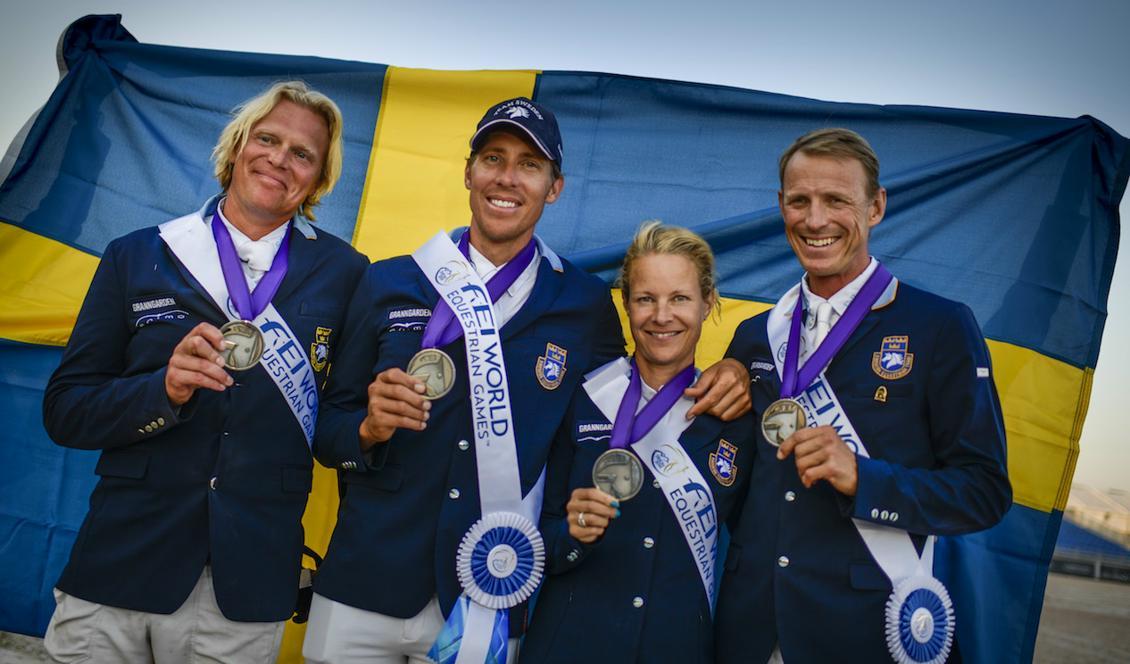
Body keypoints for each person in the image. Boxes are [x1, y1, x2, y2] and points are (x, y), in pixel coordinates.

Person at [302, 98, 750, 664]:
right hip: (365, 582)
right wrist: (366, 429)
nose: (507, 177)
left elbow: (632, 405)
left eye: (529, 164)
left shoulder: (583, 305)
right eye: (493, 157)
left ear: (554, 186)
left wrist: (740, 365)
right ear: (468, 172)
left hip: (491, 590)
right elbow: (328, 433)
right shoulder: (390, 279)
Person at [41, 81, 368, 663]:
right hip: (118, 566)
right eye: (267, 139)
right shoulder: (139, 254)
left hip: (244, 587)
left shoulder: (347, 274)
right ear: (237, 148)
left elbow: (338, 427)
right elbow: (66, 411)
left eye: (303, 154)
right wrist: (162, 391)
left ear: (317, 181)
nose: (279, 159)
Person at [713, 128, 1012, 663]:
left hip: (864, 631)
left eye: (836, 200)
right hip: (750, 629)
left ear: (875, 207)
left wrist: (864, 478)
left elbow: (984, 492)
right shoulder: (757, 336)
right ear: (781, 206)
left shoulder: (940, 327)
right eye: (799, 201)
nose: (815, 219)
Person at [522, 222, 753, 663]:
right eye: (646, 299)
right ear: (626, 304)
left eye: (680, 298)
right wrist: (570, 533)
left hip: (677, 647)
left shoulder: (736, 418)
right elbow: (533, 534)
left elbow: (754, 548)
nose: (662, 316)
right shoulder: (581, 398)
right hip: (570, 645)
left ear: (708, 304)